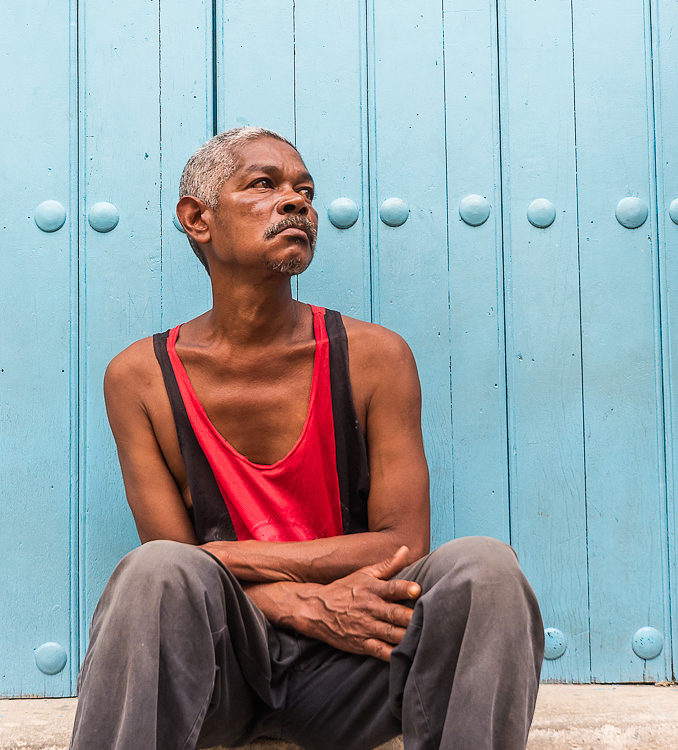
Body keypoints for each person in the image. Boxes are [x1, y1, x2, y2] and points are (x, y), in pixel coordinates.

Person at [69, 126, 544, 750]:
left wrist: (234, 564)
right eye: (264, 185)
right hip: (221, 674)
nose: (297, 203)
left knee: (486, 568)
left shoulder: (375, 357)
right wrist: (295, 602)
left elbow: (403, 543)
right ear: (197, 219)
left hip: (362, 658)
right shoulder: (140, 378)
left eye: (305, 190)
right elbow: (173, 561)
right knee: (155, 572)